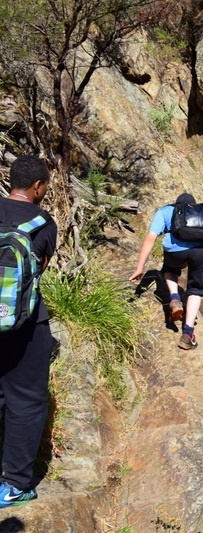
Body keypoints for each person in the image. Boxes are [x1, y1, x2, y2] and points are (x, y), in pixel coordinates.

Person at [0, 155, 57, 507]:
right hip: (23, 325)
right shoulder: (42, 223)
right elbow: (38, 273)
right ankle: (14, 485)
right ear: (38, 187)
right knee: (26, 402)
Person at [130, 193, 203, 350]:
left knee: (170, 269)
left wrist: (140, 267)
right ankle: (188, 334)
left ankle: (175, 298)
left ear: (177, 205)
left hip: (175, 251)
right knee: (195, 288)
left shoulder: (166, 211)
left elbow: (151, 237)